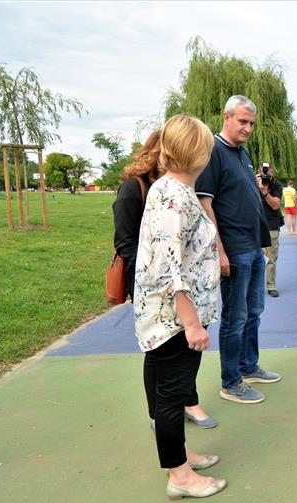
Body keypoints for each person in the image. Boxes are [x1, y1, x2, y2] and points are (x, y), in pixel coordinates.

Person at [134, 114, 225, 500]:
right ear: (200, 154)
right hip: (174, 321)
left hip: (162, 318)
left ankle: (180, 455)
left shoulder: (168, 189)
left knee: (162, 388)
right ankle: (180, 477)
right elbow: (171, 269)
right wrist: (192, 324)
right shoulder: (174, 197)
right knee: (173, 393)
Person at [113, 131, 217, 430]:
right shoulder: (139, 190)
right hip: (158, 289)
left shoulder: (174, 189)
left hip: (177, 290)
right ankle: (162, 420)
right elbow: (129, 243)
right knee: (162, 362)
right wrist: (151, 282)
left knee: (179, 365)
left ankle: (185, 406)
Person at [195, 95, 281, 405]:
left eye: (251, 124)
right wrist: (219, 251)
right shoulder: (213, 152)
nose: (247, 128)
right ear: (226, 117)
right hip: (233, 249)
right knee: (235, 316)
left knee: (254, 312)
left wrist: (261, 245)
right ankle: (231, 382)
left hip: (253, 248)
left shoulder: (243, 155)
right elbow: (206, 204)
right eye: (242, 121)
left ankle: (249, 366)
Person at [256, 162, 284, 297]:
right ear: (259, 172)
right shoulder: (253, 182)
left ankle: (271, 286)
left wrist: (265, 192)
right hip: (254, 224)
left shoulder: (277, 185)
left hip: (271, 224)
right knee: (251, 257)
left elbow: (275, 205)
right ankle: (252, 286)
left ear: (272, 171)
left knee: (271, 257)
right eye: (263, 172)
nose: (266, 174)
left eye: (268, 171)